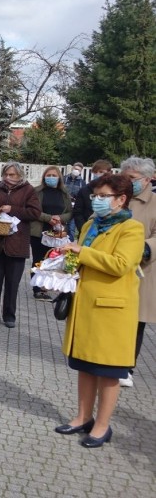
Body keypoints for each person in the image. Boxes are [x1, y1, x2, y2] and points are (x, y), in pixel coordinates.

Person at [55, 174, 144, 448]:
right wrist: (61, 265)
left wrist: (80, 252)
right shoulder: (91, 224)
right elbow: (79, 258)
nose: (97, 200)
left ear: (121, 199)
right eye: (95, 195)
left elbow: (120, 264)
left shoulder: (132, 228)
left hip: (111, 311)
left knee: (108, 373)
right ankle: (83, 417)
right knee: (84, 367)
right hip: (85, 306)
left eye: (103, 196)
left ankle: (102, 426)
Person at [0, 162, 41, 328]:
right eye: (6, 174)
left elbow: (35, 212)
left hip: (17, 244)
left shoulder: (28, 190)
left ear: (19, 175)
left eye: (12, 175)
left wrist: (13, 209)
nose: (8, 178)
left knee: (12, 283)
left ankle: (9, 315)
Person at [119, 156, 156, 387]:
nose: (128, 182)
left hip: (141, 270)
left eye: (131, 178)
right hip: (113, 267)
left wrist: (144, 248)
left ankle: (126, 366)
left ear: (148, 178)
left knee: (135, 321)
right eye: (125, 177)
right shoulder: (119, 198)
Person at [29, 166, 72, 300]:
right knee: (39, 260)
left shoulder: (64, 193)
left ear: (59, 177)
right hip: (39, 231)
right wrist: (49, 218)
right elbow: (33, 210)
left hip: (57, 233)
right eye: (49, 175)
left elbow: (70, 212)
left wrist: (60, 218)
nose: (51, 178)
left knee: (53, 260)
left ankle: (47, 286)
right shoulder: (37, 191)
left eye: (54, 175)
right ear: (44, 177)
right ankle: (38, 289)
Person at [72, 160, 113, 234]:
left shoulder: (115, 191)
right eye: (95, 172)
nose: (97, 174)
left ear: (109, 173)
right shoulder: (84, 190)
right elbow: (78, 212)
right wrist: (83, 229)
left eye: (101, 172)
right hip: (87, 231)